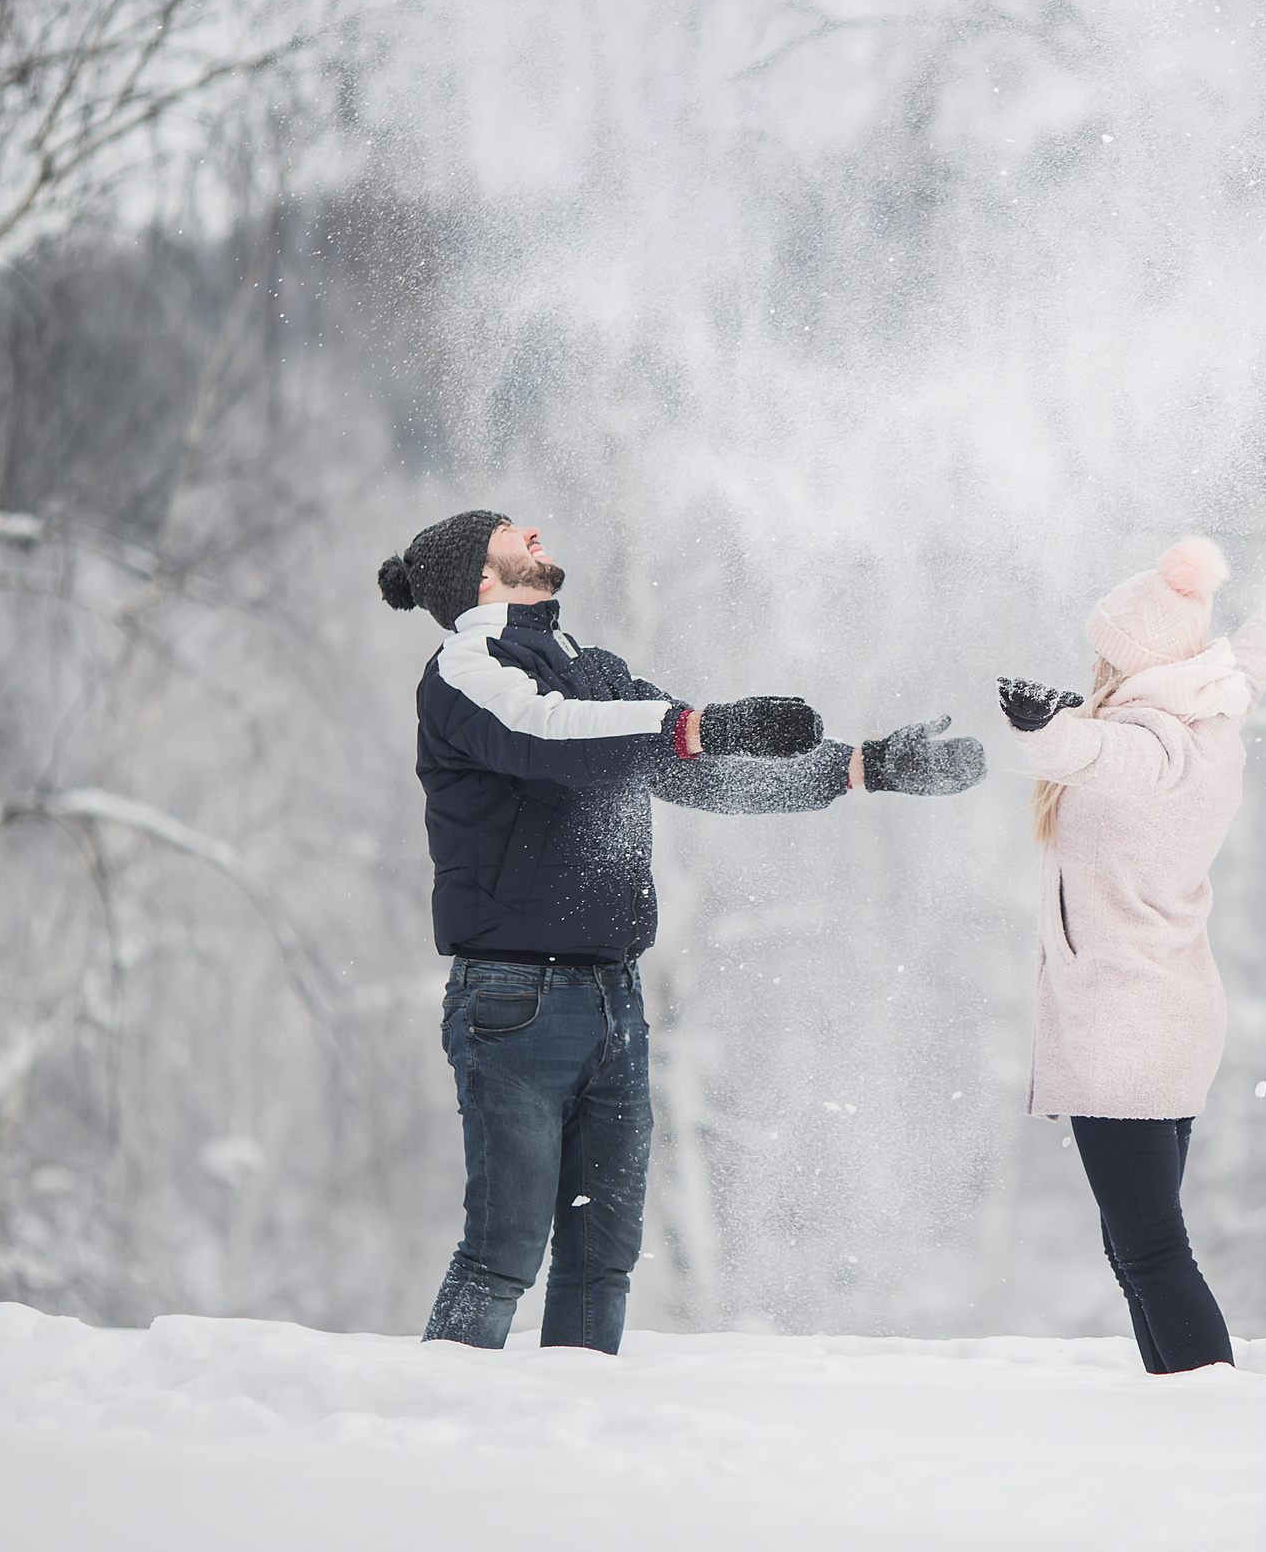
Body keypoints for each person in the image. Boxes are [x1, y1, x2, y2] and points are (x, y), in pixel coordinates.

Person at [376, 510, 984, 1354]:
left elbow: (701, 769)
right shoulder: (468, 670)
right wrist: (697, 724)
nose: (538, 533)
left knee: (601, 1256)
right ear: (481, 576)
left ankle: (569, 1438)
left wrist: (864, 766)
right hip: (515, 1002)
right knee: (503, 1254)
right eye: (515, 533)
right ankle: (428, 1437)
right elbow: (548, 733)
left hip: (611, 1000)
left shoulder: (590, 670)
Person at [996, 531, 1266, 1373]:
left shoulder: (1151, 745)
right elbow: (1251, 659)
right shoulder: (1209, 712)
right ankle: (1180, 1404)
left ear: (1126, 660)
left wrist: (1041, 727)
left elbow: (1088, 752)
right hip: (1167, 1019)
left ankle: (1207, 1406)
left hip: (1122, 1031)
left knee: (1152, 1253)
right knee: (1139, 1250)